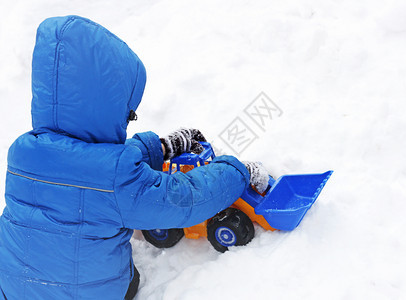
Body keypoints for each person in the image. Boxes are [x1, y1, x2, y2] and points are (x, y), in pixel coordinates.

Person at [0, 15, 268, 299]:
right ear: (106, 109)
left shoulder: (23, 155)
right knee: (128, 278)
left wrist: (160, 147)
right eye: (127, 114)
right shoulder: (116, 179)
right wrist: (237, 171)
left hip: (12, 291)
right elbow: (186, 198)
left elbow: (86, 167)